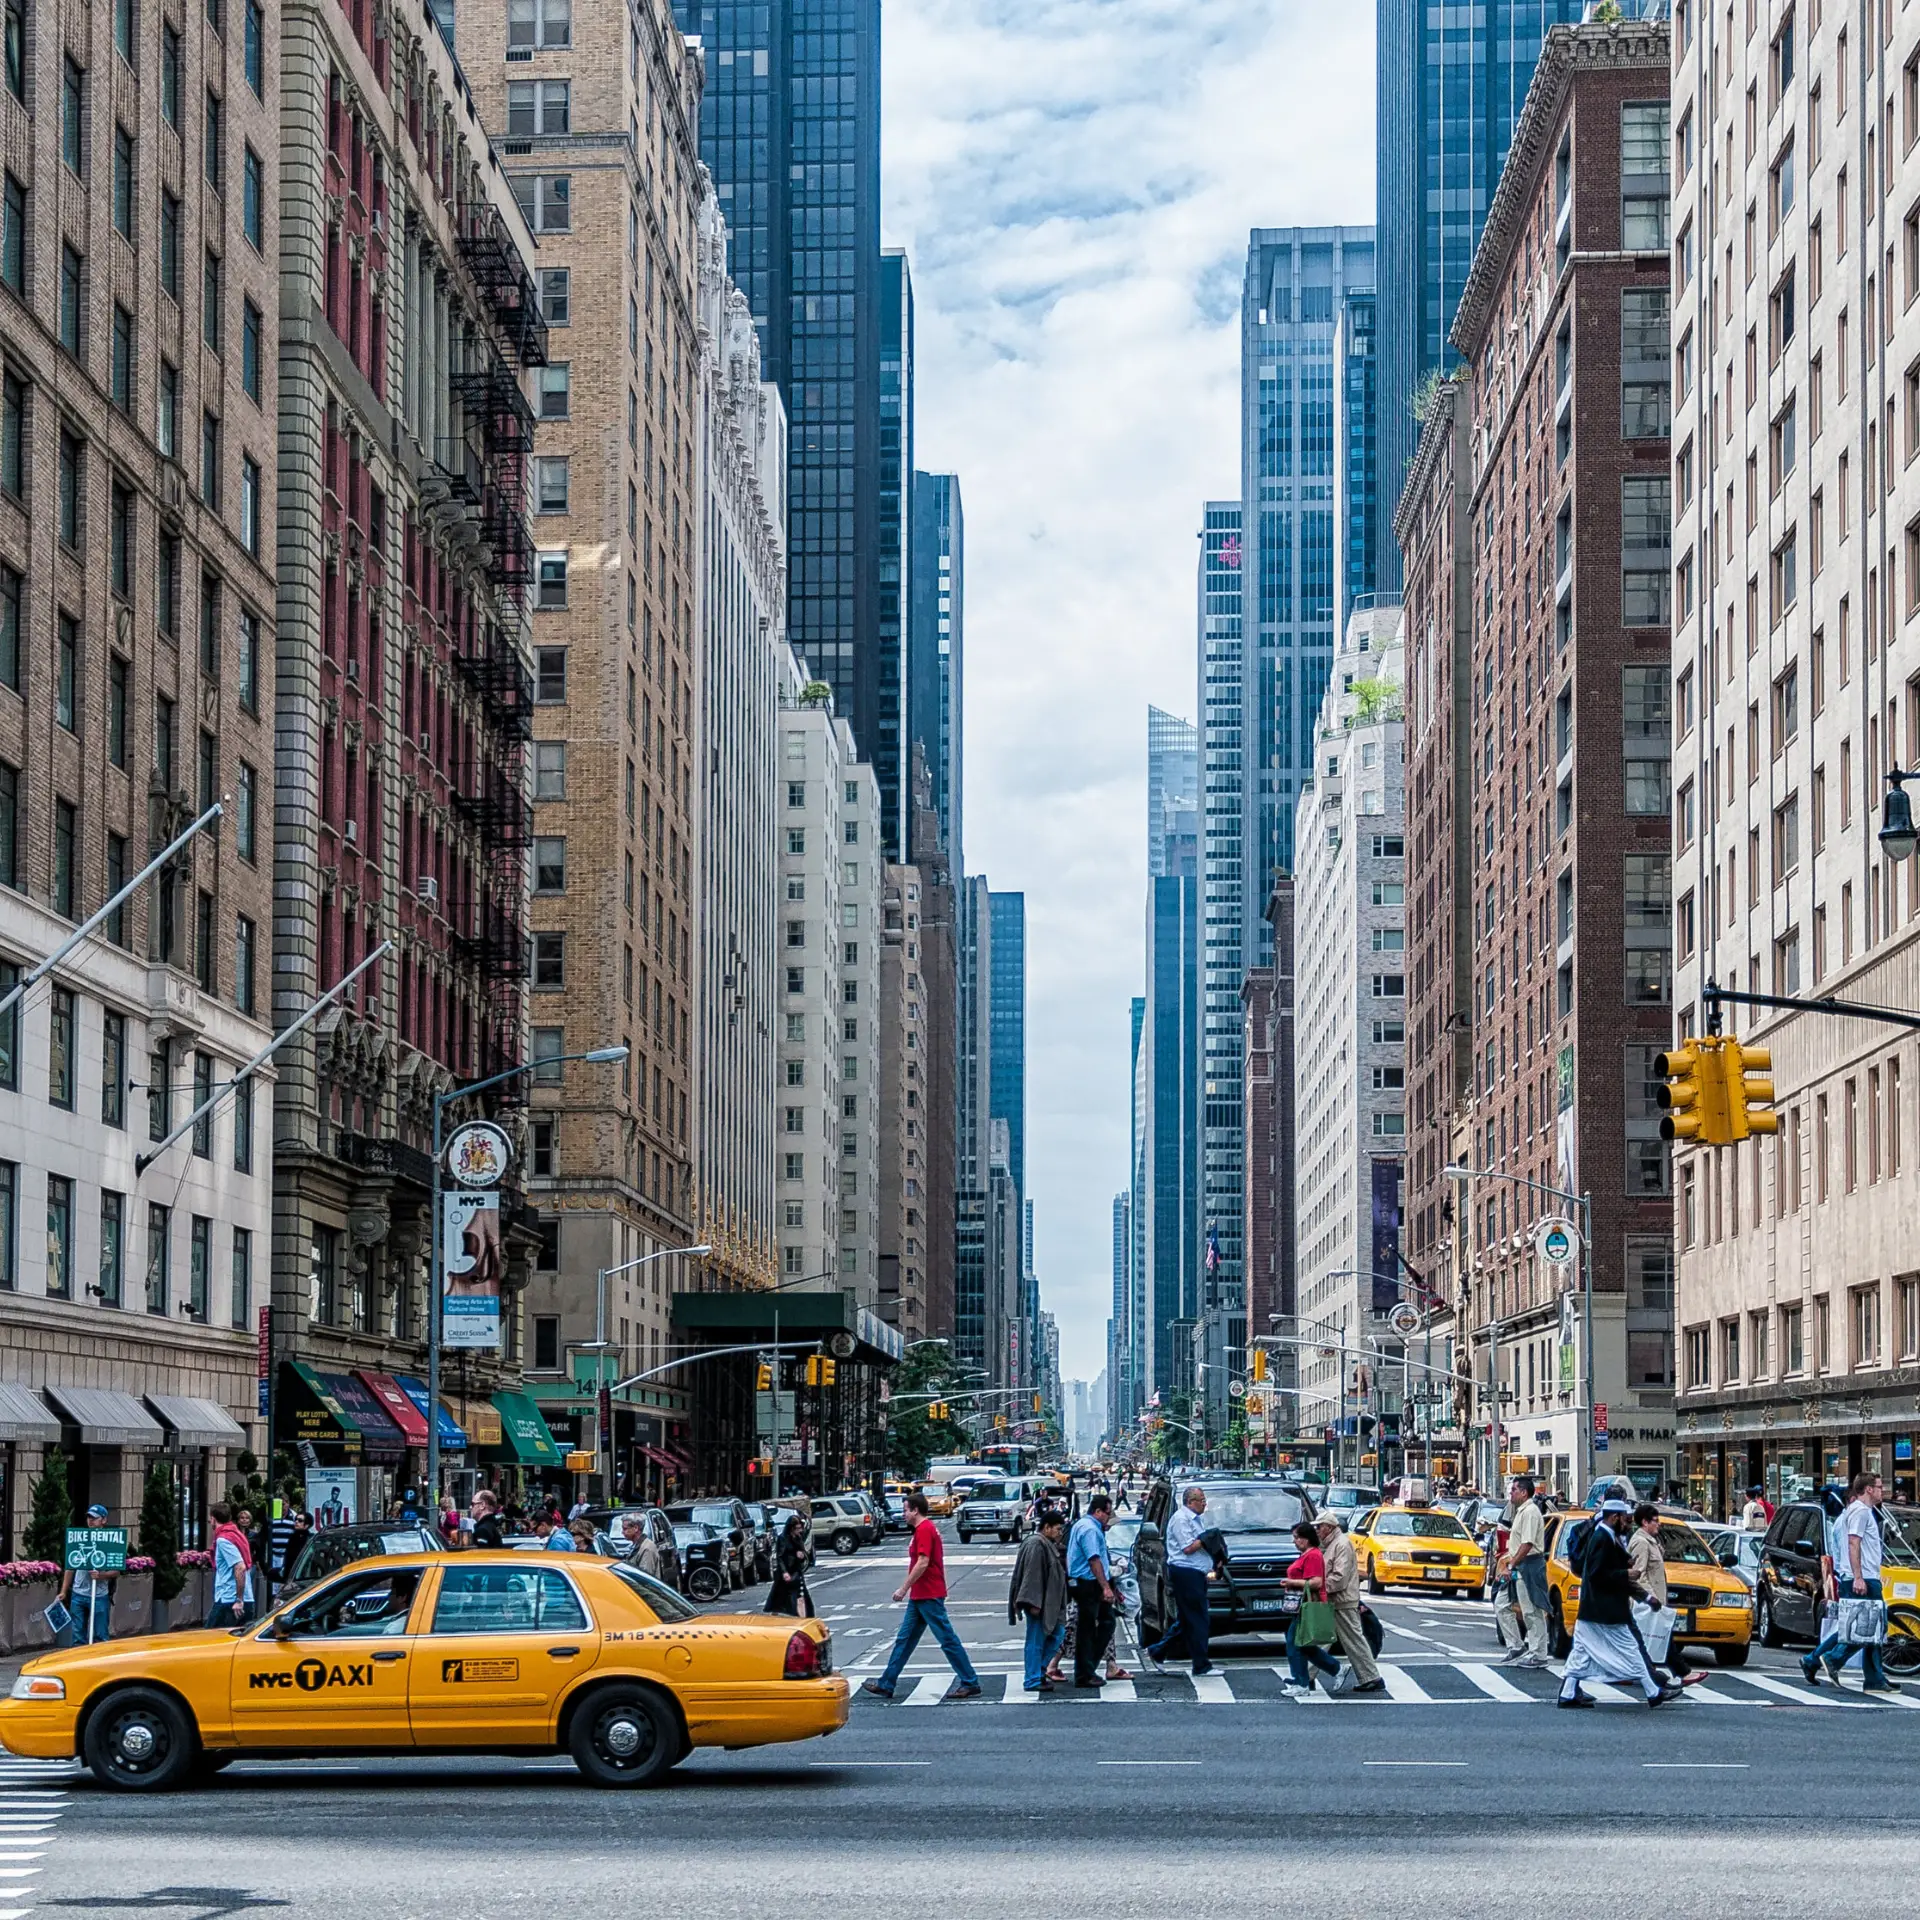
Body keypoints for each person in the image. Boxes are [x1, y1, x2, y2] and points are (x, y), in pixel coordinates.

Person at [1557, 1499, 1681, 1709]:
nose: (1628, 1524)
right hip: (1606, 1611)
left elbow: (1607, 1574)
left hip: (1594, 1610)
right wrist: (1627, 1573)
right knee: (1630, 1648)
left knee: (1581, 1652)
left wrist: (1646, 1596)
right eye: (1625, 1519)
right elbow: (1598, 1575)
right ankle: (1652, 1692)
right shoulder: (1602, 1538)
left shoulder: (1608, 1537)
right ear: (1614, 1517)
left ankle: (1568, 1693)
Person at [861, 1492, 982, 1701]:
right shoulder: (922, 1530)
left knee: (946, 1639)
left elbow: (923, 1562)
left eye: (906, 1510)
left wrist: (903, 1588)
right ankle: (887, 1683)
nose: (903, 1514)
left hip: (929, 1593)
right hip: (921, 1594)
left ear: (915, 1510)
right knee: (904, 1640)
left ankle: (970, 1681)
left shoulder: (924, 1529)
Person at [1815, 1471, 1898, 1693]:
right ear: (1869, 1489)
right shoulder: (1860, 1512)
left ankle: (1874, 1678)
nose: (1883, 1491)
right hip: (1864, 1578)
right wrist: (1858, 1577)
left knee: (1872, 1628)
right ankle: (1833, 1659)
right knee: (1867, 1627)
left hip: (1864, 1575)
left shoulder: (1860, 1511)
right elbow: (1854, 1543)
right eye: (1879, 1487)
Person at [1144, 1485, 1215, 1676]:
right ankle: (1201, 1664)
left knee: (1187, 1619)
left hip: (1196, 1573)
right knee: (1199, 1618)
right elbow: (1188, 1548)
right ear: (1190, 1502)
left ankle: (1158, 1650)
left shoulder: (1194, 1519)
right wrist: (1207, 1539)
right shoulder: (1181, 1520)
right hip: (1186, 1572)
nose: (1204, 1504)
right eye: (1201, 1500)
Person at [1627, 1501, 1699, 1686]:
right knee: (1660, 1638)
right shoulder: (1640, 1543)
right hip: (1648, 1602)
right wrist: (1650, 1598)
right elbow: (1638, 1574)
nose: (1658, 1524)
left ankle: (1635, 1674)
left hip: (1653, 1601)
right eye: (1655, 1520)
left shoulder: (1651, 1541)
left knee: (1652, 1640)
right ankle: (1682, 1672)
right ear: (1644, 1522)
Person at [1315, 1510, 1386, 1695]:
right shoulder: (1333, 1543)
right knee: (1323, 1639)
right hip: (1337, 1599)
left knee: (1351, 1640)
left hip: (1342, 1600)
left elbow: (1340, 1576)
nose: (1317, 1530)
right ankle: (1305, 1676)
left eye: (1319, 1527)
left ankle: (1371, 1677)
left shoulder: (1341, 1544)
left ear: (1329, 1527)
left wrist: (1321, 1588)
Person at [1066, 1494, 1126, 1688]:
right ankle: (1085, 1671)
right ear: (1098, 1511)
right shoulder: (1090, 1529)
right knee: (1091, 1627)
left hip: (1086, 1581)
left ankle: (1087, 1668)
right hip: (1087, 1583)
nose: (1108, 1518)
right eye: (1107, 1514)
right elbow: (1094, 1560)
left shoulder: (1084, 1525)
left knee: (1102, 1622)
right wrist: (1106, 1587)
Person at [1008, 1507, 1070, 1692]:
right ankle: (1033, 1678)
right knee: (1035, 1642)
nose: (1060, 1533)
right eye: (1058, 1529)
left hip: (1049, 1603)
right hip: (1038, 1603)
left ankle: (1039, 1672)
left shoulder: (1045, 1543)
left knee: (1057, 1634)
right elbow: (1032, 1576)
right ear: (1047, 1527)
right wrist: (1032, 1602)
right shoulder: (1036, 1544)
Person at [1278, 1521, 1339, 1699]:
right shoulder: (1308, 1554)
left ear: (1306, 1539)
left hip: (1308, 1604)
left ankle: (1301, 1682)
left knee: (1294, 1643)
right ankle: (1334, 1669)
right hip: (1301, 1604)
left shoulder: (1312, 1555)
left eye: (1297, 1538)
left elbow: (1316, 1582)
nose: (1294, 1541)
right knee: (1304, 1645)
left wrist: (1291, 1582)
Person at [1501, 1475, 1550, 1669]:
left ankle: (1539, 1654)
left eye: (1513, 1490)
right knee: (1501, 1604)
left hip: (1529, 1565)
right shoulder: (1520, 1511)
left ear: (1523, 1492)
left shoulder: (1530, 1511)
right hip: (1519, 1566)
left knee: (1531, 1610)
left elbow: (1528, 1543)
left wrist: (1511, 1565)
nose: (1510, 1493)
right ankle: (1516, 1646)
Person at [56, 1504, 117, 1646]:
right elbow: (70, 1566)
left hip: (100, 1595)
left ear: (103, 1520)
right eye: (89, 1517)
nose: (90, 1521)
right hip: (79, 1594)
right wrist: (64, 1591)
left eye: (94, 1518)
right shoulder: (79, 1539)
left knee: (100, 1635)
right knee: (77, 1635)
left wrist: (101, 1575)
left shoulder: (111, 1542)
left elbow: (117, 1571)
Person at [207, 1503, 254, 1629]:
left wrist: (238, 1600)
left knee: (209, 1639)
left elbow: (240, 1567)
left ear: (213, 1519)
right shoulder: (237, 1535)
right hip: (246, 1598)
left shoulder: (223, 1539)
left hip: (229, 1600)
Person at [765, 1513, 813, 1617]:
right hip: (786, 1571)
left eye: (800, 1528)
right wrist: (784, 1572)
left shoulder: (798, 1538)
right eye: (797, 1528)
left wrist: (802, 1556)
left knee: (800, 1595)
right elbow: (780, 1556)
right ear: (791, 1528)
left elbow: (803, 1553)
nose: (799, 1530)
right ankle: (774, 1615)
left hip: (796, 1570)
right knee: (779, 1596)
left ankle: (803, 1617)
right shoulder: (782, 1538)